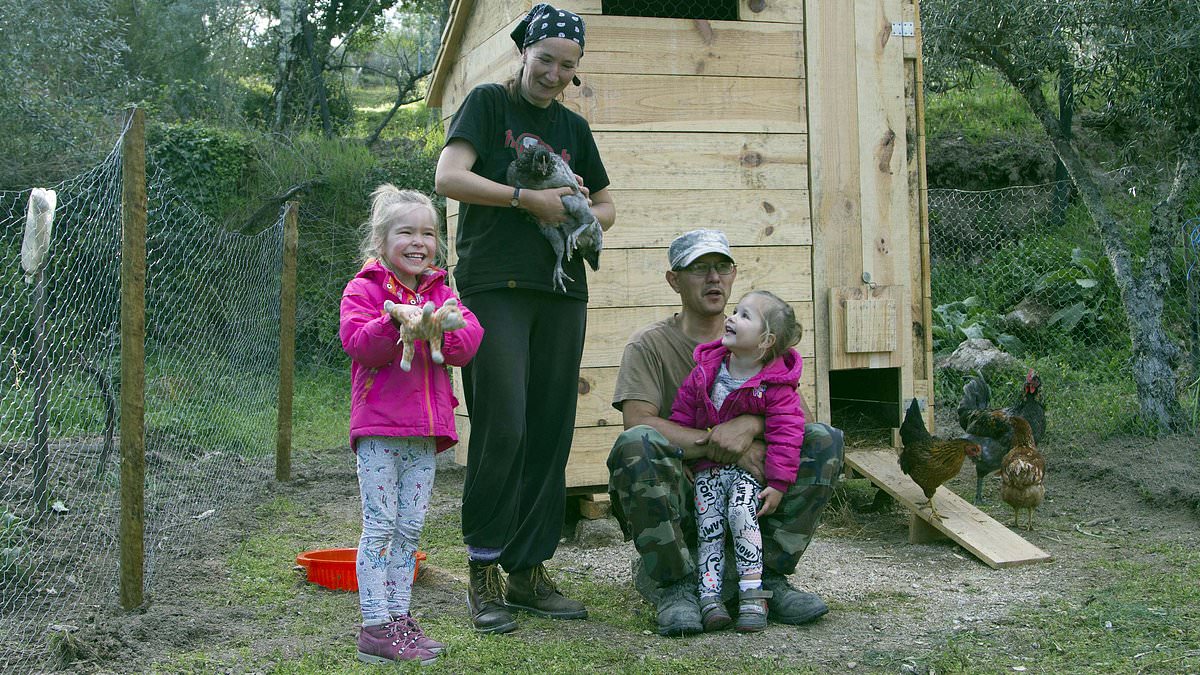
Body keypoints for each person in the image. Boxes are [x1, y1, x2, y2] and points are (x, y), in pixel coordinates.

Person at [433, 3, 616, 634]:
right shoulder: (487, 105)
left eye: (568, 66)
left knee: (549, 427)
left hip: (561, 289)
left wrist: (578, 213)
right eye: (546, 61)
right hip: (493, 285)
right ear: (524, 54)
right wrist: (523, 199)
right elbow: (449, 176)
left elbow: (606, 204)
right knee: (503, 422)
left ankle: (529, 571)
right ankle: (483, 570)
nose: (556, 74)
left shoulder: (574, 127)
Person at [607, 229, 844, 637]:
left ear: (733, 276)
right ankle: (675, 586)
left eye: (721, 267)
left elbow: (800, 421)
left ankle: (768, 577)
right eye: (699, 269)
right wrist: (717, 444)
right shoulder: (648, 345)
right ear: (674, 280)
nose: (713, 278)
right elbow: (638, 421)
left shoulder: (760, 343)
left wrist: (750, 426)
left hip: (750, 491)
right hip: (682, 487)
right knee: (636, 445)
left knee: (825, 439)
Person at [339, 185, 484, 664]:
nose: (419, 241)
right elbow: (360, 345)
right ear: (381, 242)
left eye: (428, 232)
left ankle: (398, 619)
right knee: (380, 527)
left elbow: (466, 346)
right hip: (380, 431)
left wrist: (448, 325)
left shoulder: (442, 293)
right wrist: (394, 321)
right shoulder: (364, 289)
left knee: (409, 531)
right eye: (406, 232)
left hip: (425, 435)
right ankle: (374, 625)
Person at [669, 290, 806, 633]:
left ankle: (752, 594)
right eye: (735, 311)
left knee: (743, 519)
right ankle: (709, 597)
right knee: (708, 526)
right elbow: (683, 413)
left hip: (747, 475)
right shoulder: (707, 369)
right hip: (707, 471)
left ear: (765, 340)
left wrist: (777, 483)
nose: (731, 318)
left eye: (745, 316)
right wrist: (684, 454)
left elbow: (788, 434)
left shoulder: (775, 385)